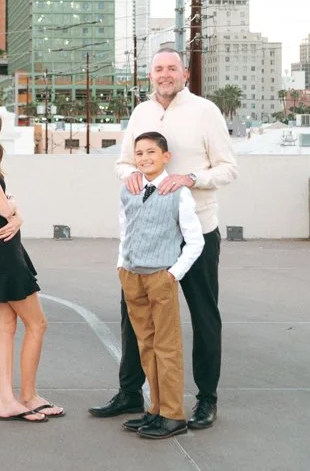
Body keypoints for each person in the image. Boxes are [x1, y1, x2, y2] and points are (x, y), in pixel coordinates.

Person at [89, 48, 238, 430]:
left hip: (195, 232)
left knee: (204, 318)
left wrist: (190, 179)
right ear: (150, 74)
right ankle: (129, 393)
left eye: (172, 68)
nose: (165, 74)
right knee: (133, 318)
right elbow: (123, 162)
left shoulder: (206, 111)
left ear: (184, 73)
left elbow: (227, 169)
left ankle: (206, 399)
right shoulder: (141, 112)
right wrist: (130, 176)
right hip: (148, 239)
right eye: (159, 69)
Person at [0, 103, 61, 423]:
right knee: (37, 323)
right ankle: (28, 396)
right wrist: (17, 211)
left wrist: (14, 214)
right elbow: (5, 208)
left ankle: (8, 400)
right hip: (2, 248)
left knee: (6, 326)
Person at [116, 132, 204, 439]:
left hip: (160, 277)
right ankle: (154, 410)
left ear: (166, 156)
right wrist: (120, 264)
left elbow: (195, 241)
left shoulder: (178, 193)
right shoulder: (130, 189)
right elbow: (125, 228)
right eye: (139, 153)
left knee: (167, 348)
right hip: (132, 275)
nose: (144, 158)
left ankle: (172, 414)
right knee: (146, 346)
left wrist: (173, 273)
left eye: (151, 152)